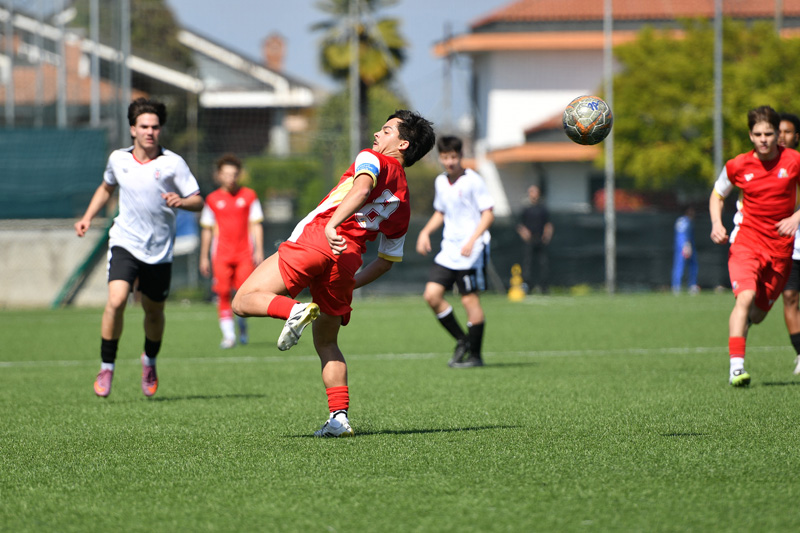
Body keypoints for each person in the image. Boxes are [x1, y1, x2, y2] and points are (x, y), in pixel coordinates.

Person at [231, 110, 435, 437]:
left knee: (243, 301)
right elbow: (385, 261)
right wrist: (352, 284)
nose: (377, 135)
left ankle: (294, 310)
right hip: (347, 262)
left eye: (386, 131)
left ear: (403, 144)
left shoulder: (372, 158)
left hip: (318, 239)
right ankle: (339, 418)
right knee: (327, 343)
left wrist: (331, 226)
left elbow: (362, 189)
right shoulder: (404, 202)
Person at [75, 97, 204, 398]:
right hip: (125, 242)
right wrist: (87, 217)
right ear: (133, 129)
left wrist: (182, 201)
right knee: (117, 300)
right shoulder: (118, 159)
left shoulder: (173, 163)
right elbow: (106, 187)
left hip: (159, 250)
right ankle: (107, 366)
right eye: (144, 126)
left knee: (153, 311)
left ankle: (150, 362)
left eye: (155, 127)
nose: (150, 132)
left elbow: (198, 200)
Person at [709, 105, 800, 386]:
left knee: (758, 314)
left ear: (778, 135)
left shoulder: (794, 161)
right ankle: (736, 368)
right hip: (746, 242)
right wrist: (716, 224)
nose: (763, 139)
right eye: (758, 134)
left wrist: (796, 218)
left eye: (769, 134)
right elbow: (717, 194)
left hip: (780, 249)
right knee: (745, 296)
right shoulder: (737, 165)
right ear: (750, 135)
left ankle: (741, 328)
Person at [416, 135, 495, 368]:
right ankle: (463, 340)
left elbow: (488, 213)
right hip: (449, 250)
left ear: (461, 156)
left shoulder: (473, 181)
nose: (449, 162)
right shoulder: (441, 181)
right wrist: (425, 232)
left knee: (469, 300)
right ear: (440, 158)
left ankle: (476, 357)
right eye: (445, 157)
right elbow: (440, 212)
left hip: (472, 251)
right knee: (431, 295)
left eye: (453, 157)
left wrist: (472, 239)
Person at [199, 154, 265, 349]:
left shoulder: (249, 196)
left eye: (234, 174)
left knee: (244, 294)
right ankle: (228, 336)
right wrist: (203, 257)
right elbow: (207, 229)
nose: (230, 178)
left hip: (245, 254)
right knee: (223, 293)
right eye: (226, 174)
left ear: (239, 175)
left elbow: (256, 224)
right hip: (221, 255)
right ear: (219, 175)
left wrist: (259, 250)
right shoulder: (212, 199)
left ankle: (242, 325)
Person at [777, 112, 800, 374]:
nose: (781, 136)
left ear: (797, 136)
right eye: (778, 131)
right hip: (789, 245)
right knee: (790, 296)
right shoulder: (766, 166)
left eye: (787, 131)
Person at [516, 185, 553, 293]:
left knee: (543, 263)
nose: (534, 194)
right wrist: (524, 233)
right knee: (527, 263)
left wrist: (547, 234)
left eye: (535, 192)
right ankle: (527, 286)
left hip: (540, 239)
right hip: (529, 240)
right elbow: (519, 224)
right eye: (532, 192)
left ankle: (544, 287)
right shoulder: (525, 208)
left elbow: (548, 223)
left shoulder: (543, 208)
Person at [671, 207, 699, 295]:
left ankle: (681, 285)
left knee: (686, 265)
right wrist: (685, 245)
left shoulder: (682, 221)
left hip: (684, 245)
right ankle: (679, 285)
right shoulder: (685, 221)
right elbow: (682, 235)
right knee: (682, 265)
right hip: (685, 246)